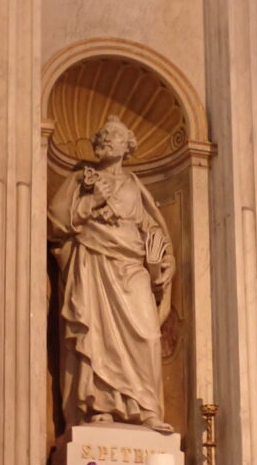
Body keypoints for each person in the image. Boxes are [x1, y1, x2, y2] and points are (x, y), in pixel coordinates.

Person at [48, 115, 175, 434]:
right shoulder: (81, 179)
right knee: (97, 335)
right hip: (94, 262)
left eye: (114, 135)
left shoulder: (134, 185)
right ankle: (99, 406)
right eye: (103, 135)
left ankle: (146, 409)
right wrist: (91, 202)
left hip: (131, 266)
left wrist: (163, 259)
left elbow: (152, 229)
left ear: (127, 145)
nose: (106, 139)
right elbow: (55, 222)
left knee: (147, 335)